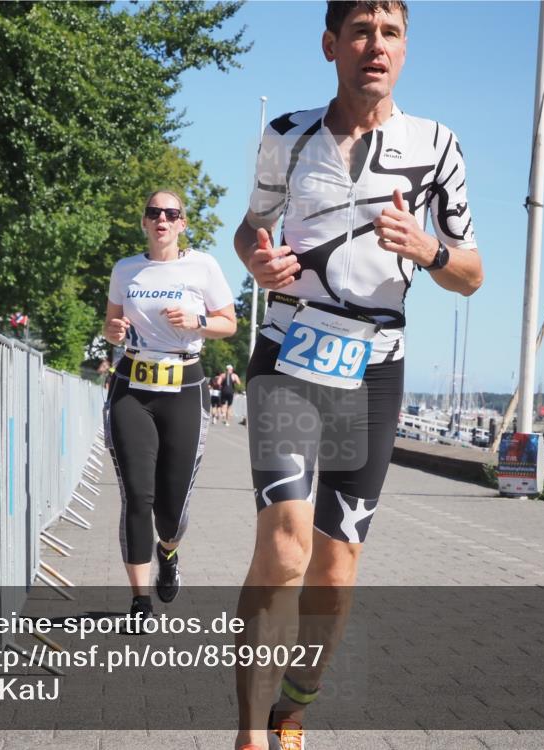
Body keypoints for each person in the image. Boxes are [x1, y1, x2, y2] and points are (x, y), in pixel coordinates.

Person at [231, 2, 483, 748]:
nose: (376, 46)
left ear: (405, 49)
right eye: (363, 32)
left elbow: (471, 274)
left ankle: (295, 704)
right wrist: (255, 259)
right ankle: (248, 734)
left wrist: (427, 248)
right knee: (283, 546)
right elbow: (251, 227)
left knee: (334, 575)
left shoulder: (437, 147)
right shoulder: (287, 137)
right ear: (331, 45)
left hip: (372, 375)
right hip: (287, 357)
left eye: (391, 33)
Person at [103, 190, 236, 623]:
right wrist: (115, 330)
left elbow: (228, 323)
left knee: (171, 508)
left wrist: (197, 321)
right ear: (144, 222)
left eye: (171, 214)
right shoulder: (126, 270)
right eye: (154, 213)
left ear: (182, 224)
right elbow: (110, 327)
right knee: (137, 498)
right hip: (133, 389)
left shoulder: (204, 266)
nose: (162, 219)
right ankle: (140, 602)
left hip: (184, 389)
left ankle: (170, 551)